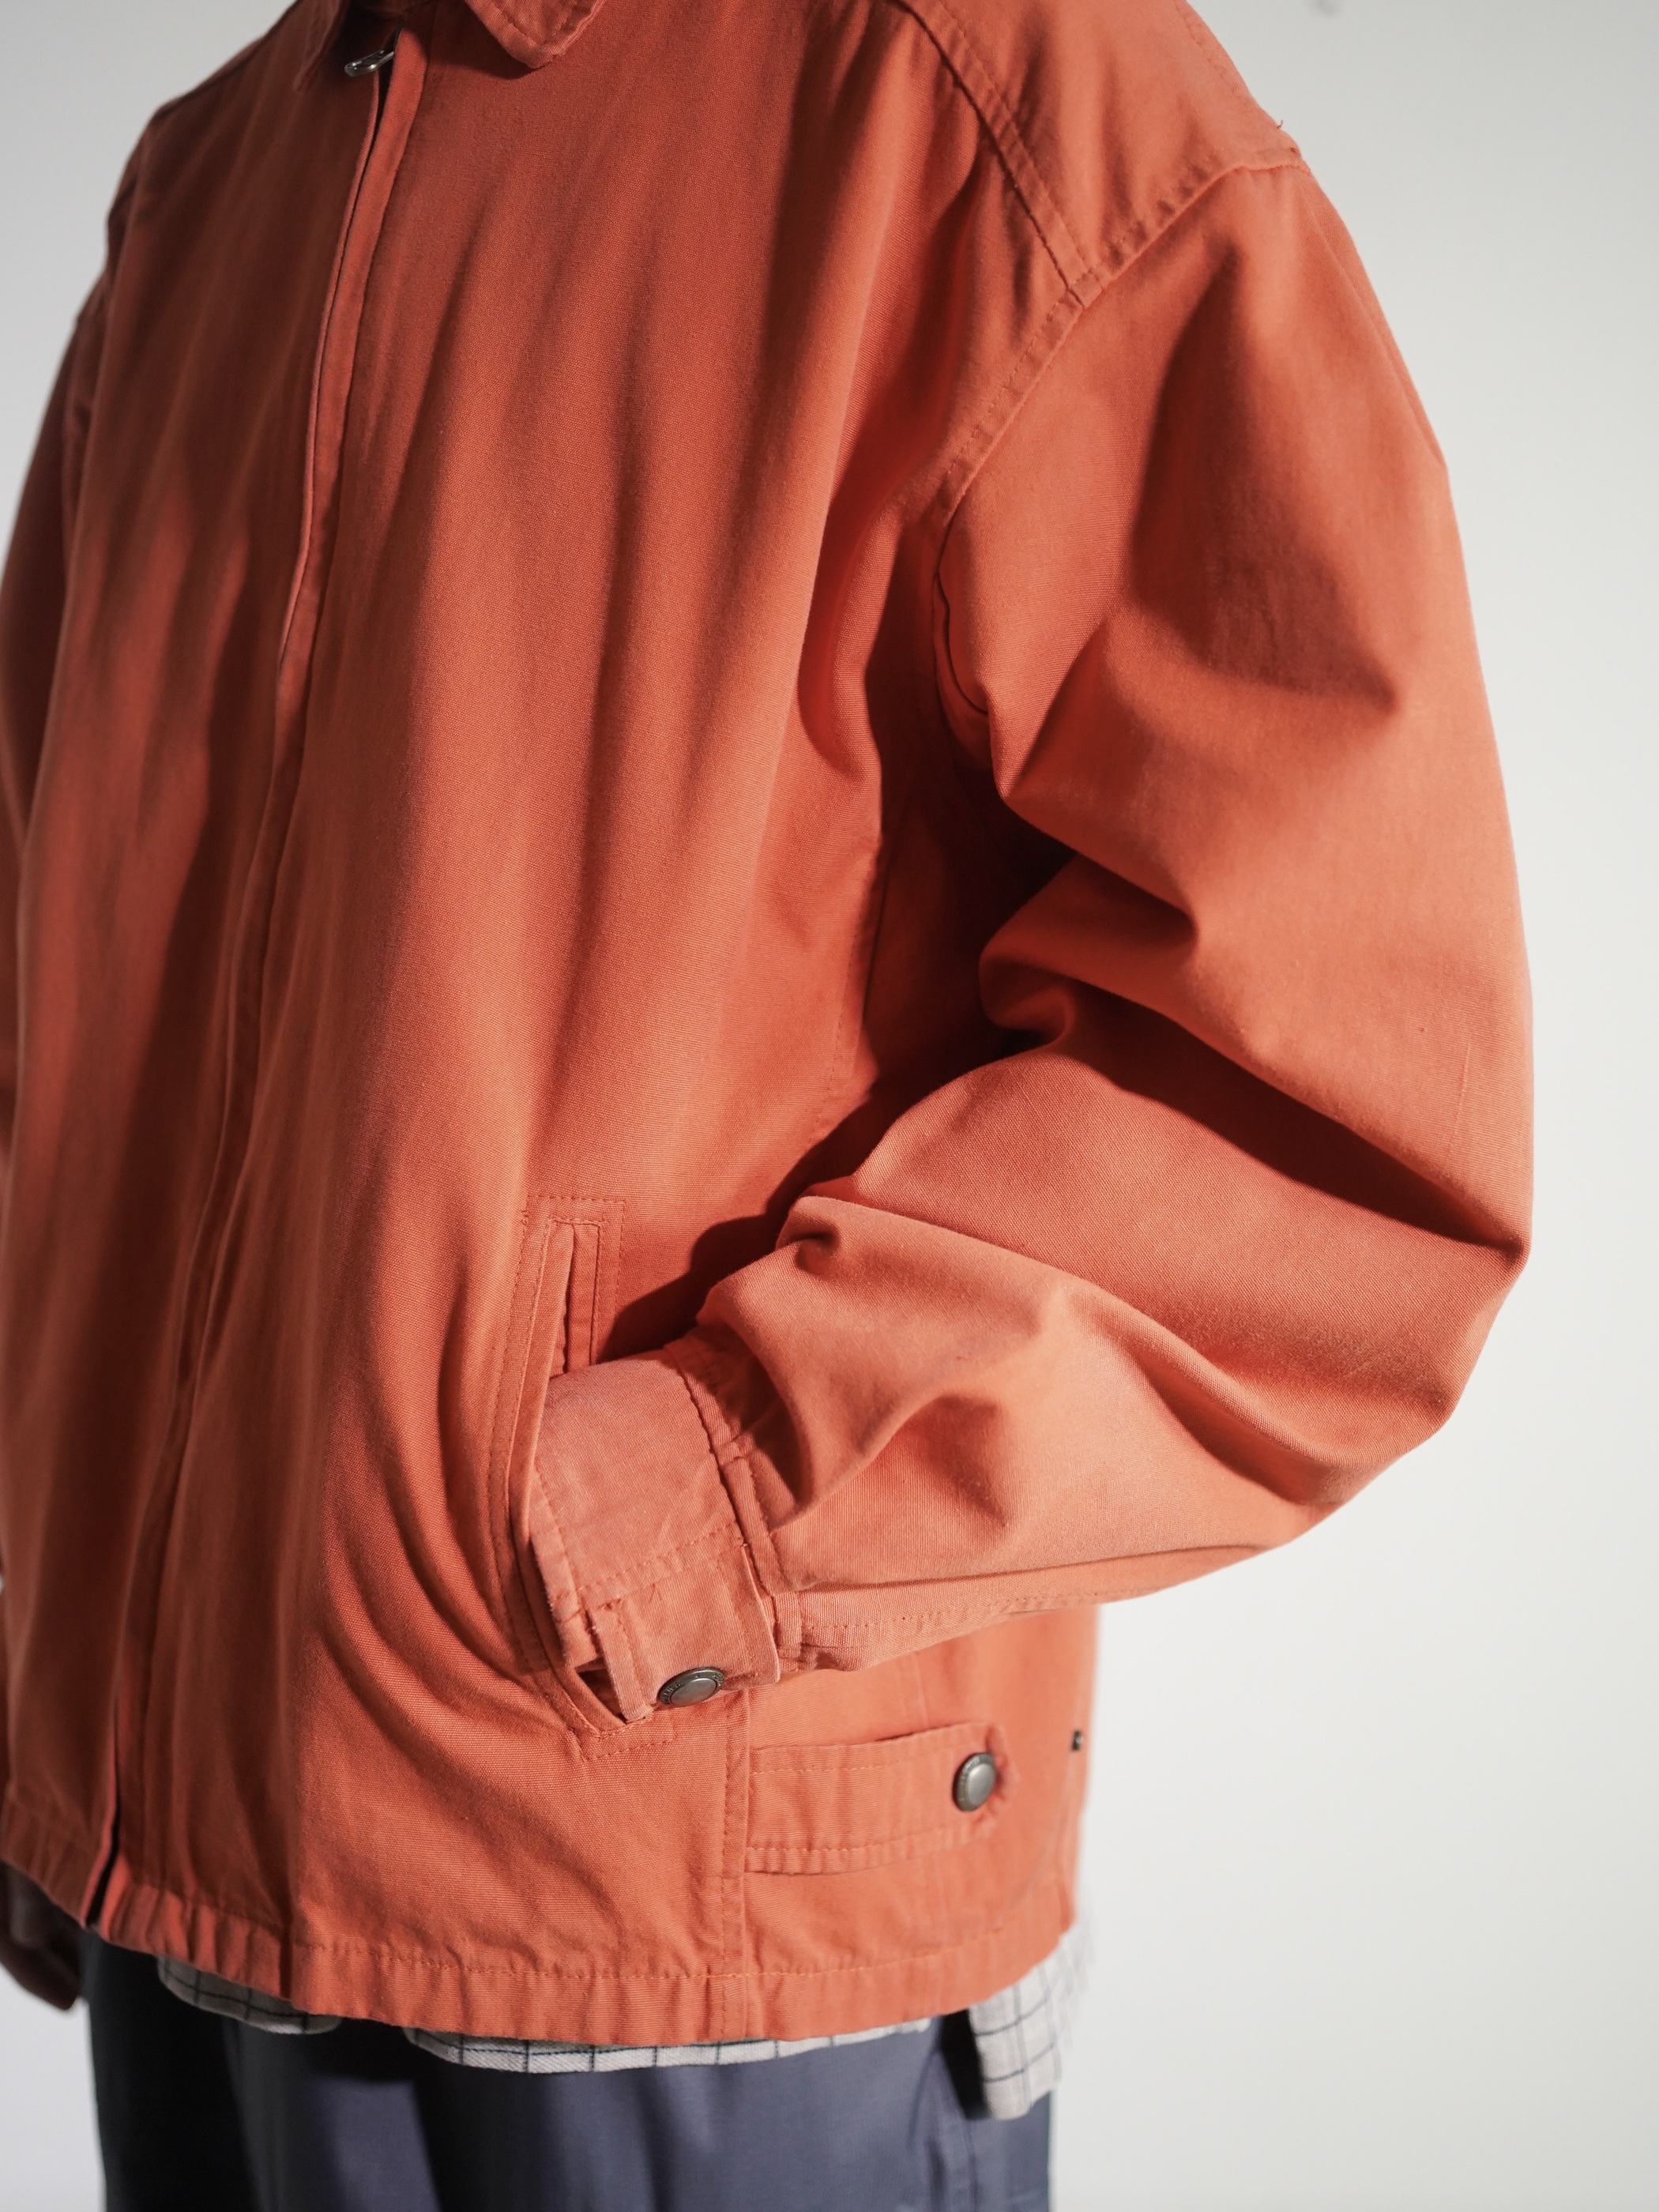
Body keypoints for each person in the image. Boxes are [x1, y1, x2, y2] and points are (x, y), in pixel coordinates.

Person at [0, 0, 1532, 2204]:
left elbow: (1326, 1113)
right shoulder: (213, 177)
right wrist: (65, 1643)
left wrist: (687, 1511)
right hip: (181, 1879)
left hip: (677, 1885)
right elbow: (62, 997)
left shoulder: (1003, 109)